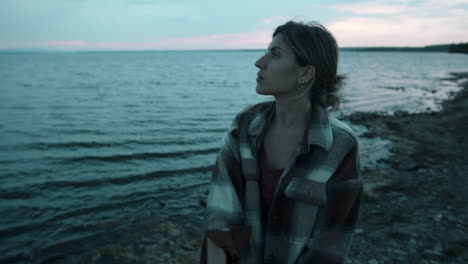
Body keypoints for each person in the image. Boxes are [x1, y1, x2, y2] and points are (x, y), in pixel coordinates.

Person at [200, 20, 363, 264]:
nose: (259, 62)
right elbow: (220, 214)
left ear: (305, 73)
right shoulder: (243, 127)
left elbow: (330, 245)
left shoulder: (340, 145)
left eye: (275, 55)